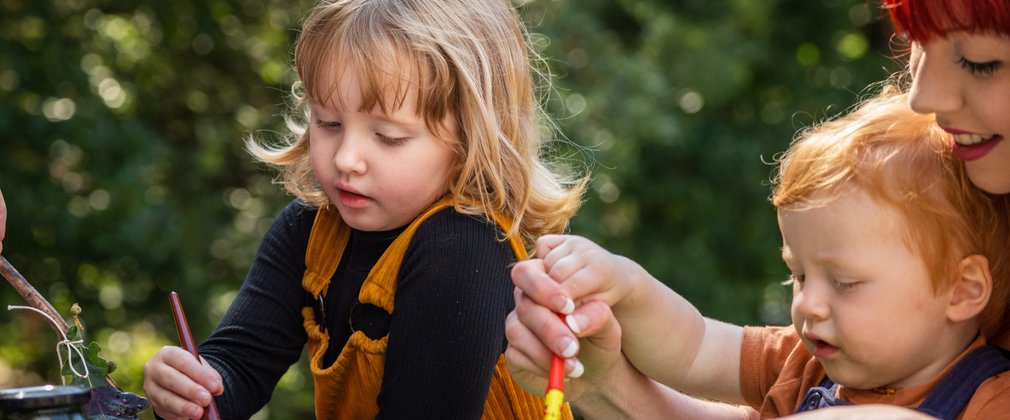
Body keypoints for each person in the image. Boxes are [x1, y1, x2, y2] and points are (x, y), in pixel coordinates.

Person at [505, 0, 1010, 418]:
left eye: (846, 282)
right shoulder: (808, 361)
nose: (808, 305)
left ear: (963, 290)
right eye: (799, 277)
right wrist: (621, 290)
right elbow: (698, 346)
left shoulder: (991, 398)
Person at [142, 0, 585, 418]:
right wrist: (192, 387)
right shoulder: (308, 229)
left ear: (472, 141)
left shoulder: (466, 246)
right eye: (328, 122)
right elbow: (239, 366)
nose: (345, 159)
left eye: (389, 136)